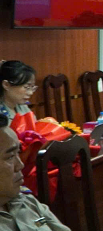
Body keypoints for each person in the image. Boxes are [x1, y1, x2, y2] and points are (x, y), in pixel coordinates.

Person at [0, 61, 70, 198]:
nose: (30, 93)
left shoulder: (22, 107)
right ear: (6, 85)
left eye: (33, 87)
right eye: (26, 87)